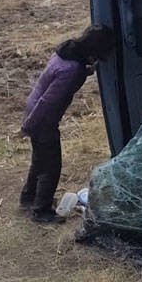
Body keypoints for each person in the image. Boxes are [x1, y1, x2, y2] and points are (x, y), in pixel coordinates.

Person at [20, 25, 116, 223]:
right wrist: (29, 126)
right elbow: (48, 101)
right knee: (51, 166)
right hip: (43, 118)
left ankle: (28, 198)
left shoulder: (68, 51)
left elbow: (65, 75)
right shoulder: (72, 70)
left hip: (34, 109)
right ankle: (42, 210)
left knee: (39, 161)